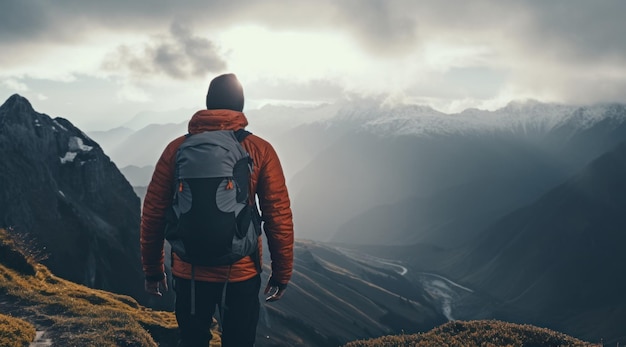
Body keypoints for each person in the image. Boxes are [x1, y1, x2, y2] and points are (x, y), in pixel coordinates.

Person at [140, 73, 294, 347]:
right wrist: (282, 272)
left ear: (208, 105)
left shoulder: (176, 149)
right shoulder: (259, 149)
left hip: (190, 269)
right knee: (239, 341)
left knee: (192, 340)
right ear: (241, 106)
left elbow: (153, 212)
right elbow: (277, 214)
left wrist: (153, 270)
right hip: (241, 270)